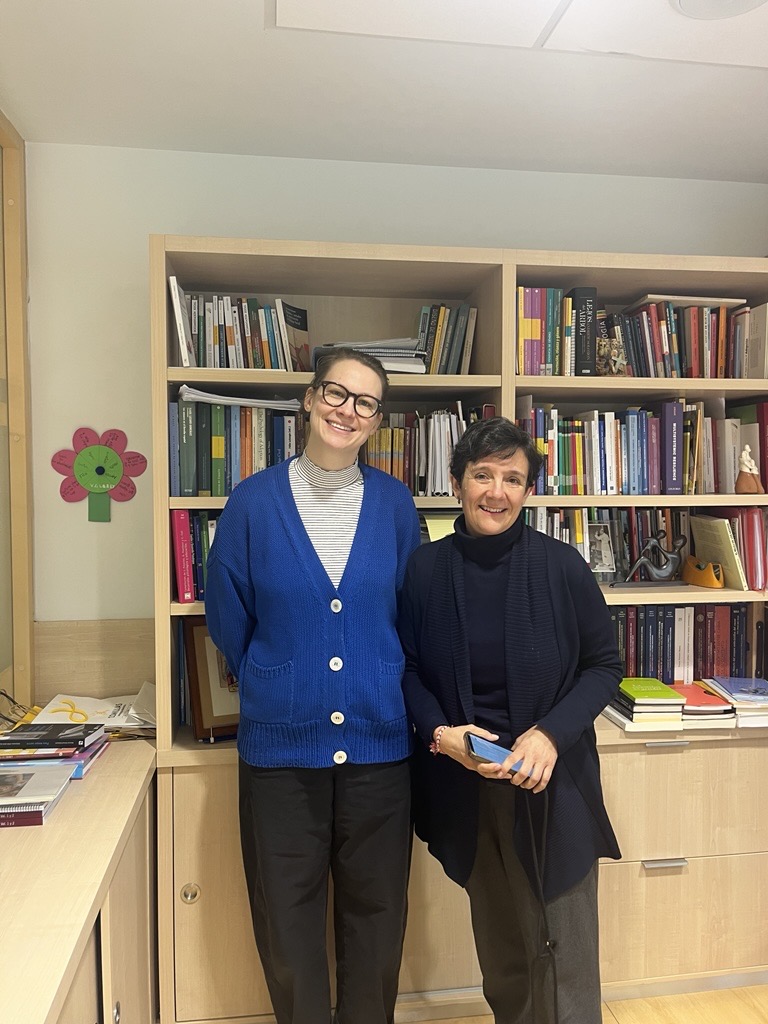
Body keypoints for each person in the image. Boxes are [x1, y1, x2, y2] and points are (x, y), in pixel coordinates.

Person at [205, 347, 421, 1024]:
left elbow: (408, 612)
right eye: (336, 393)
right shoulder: (252, 502)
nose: (346, 411)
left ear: (377, 420)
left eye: (364, 402)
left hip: (380, 748)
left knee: (377, 921)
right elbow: (228, 616)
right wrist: (282, 680)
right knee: (288, 924)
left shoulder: (393, 504)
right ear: (308, 398)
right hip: (279, 754)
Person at [398, 417, 622, 1024]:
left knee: (564, 950)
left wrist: (550, 734)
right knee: (501, 947)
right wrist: (442, 736)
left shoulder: (562, 566)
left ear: (528, 491)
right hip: (465, 786)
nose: (496, 492)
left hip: (552, 783)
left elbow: (605, 667)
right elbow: (409, 669)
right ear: (456, 482)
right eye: (482, 475)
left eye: (512, 479)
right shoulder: (424, 570)